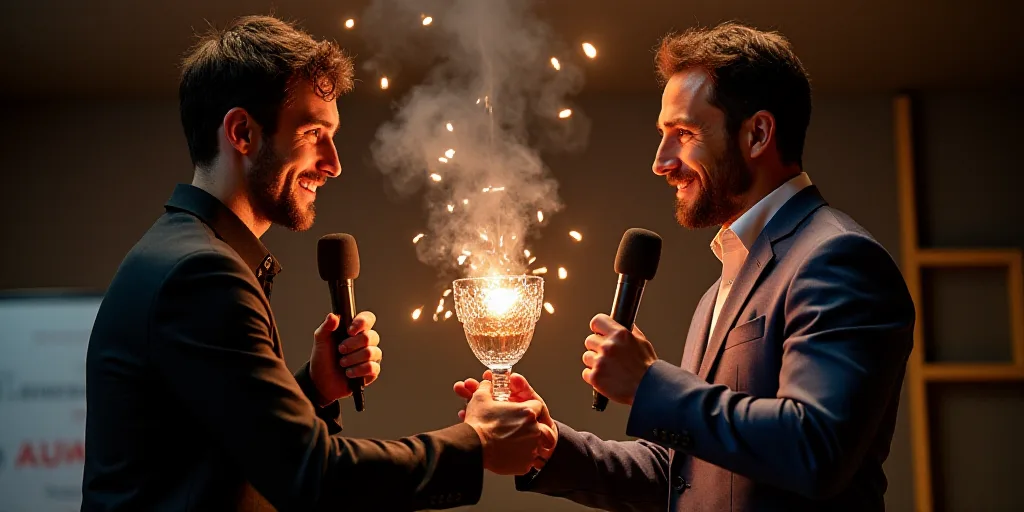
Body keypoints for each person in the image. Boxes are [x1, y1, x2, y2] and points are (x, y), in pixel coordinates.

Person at [82, 15, 553, 511]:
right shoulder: (200, 273)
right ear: (242, 132)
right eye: (313, 132)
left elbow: (227, 450)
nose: (333, 162)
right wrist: (474, 443)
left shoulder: (185, 253)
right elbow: (313, 475)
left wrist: (314, 388)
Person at [455, 22, 915, 511]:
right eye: (663, 135)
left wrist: (651, 384)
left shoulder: (836, 258)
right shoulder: (721, 288)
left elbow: (815, 449)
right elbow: (684, 476)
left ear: (757, 133)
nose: (661, 161)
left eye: (684, 134)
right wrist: (549, 448)